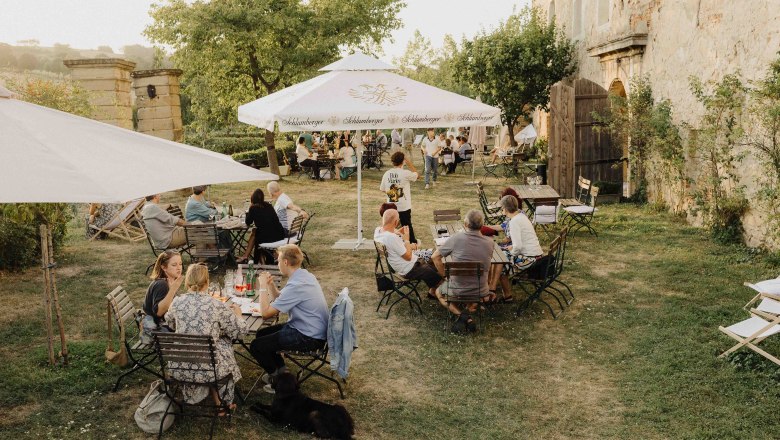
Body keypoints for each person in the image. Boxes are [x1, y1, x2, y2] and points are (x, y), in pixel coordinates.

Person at [165, 263, 247, 407]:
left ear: (187, 282)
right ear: (207, 282)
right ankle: (222, 402)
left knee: (217, 344)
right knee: (224, 345)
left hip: (180, 367)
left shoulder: (177, 302)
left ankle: (211, 398)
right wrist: (238, 315)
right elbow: (240, 332)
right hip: (210, 371)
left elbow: (171, 324)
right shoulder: (216, 305)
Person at [250, 244, 329, 393]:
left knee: (256, 346)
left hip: (308, 336)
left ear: (285, 262)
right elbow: (282, 298)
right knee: (262, 334)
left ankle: (278, 381)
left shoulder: (296, 285)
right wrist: (271, 285)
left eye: (278, 260)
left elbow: (265, 313)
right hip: (310, 328)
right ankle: (282, 372)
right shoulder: (304, 275)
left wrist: (261, 287)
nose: (277, 263)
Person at [431, 210, 495, 333]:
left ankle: (462, 315)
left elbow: (435, 257)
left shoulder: (456, 238)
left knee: (438, 292)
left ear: (465, 224)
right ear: (482, 225)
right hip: (481, 290)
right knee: (471, 280)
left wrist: (445, 276)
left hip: (457, 288)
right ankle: (471, 305)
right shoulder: (490, 243)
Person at [374, 209, 442, 298]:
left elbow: (390, 232)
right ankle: (437, 291)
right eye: (398, 220)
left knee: (432, 263)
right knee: (436, 272)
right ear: (395, 222)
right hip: (409, 269)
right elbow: (408, 257)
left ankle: (432, 290)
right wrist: (406, 239)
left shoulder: (378, 231)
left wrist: (398, 232)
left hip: (404, 265)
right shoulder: (392, 238)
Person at [490, 195, 544, 301]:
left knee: (499, 259)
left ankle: (497, 290)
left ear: (505, 208)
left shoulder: (514, 221)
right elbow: (520, 243)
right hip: (537, 255)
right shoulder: (521, 216)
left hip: (529, 260)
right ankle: (496, 289)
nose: (502, 210)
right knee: (501, 255)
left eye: (502, 208)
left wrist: (512, 250)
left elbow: (518, 247)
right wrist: (511, 248)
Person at [141, 250, 183, 344]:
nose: (179, 268)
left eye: (180, 264)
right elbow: (158, 312)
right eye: (174, 265)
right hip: (156, 331)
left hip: (162, 325)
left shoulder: (169, 281)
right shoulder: (162, 284)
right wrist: (173, 289)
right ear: (164, 267)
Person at [380, 151, 419, 244]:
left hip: (391, 205)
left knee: (390, 226)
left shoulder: (387, 173)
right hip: (403, 206)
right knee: (407, 226)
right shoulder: (405, 173)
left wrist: (393, 194)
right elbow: (417, 175)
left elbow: (382, 188)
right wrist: (409, 162)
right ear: (403, 161)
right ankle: (412, 244)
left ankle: (391, 243)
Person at [245, 188, 287, 263]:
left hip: (268, 237)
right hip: (279, 234)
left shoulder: (253, 208)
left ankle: (257, 261)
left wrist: (248, 210)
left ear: (252, 198)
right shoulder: (269, 205)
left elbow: (248, 222)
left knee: (256, 237)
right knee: (256, 233)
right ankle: (263, 261)